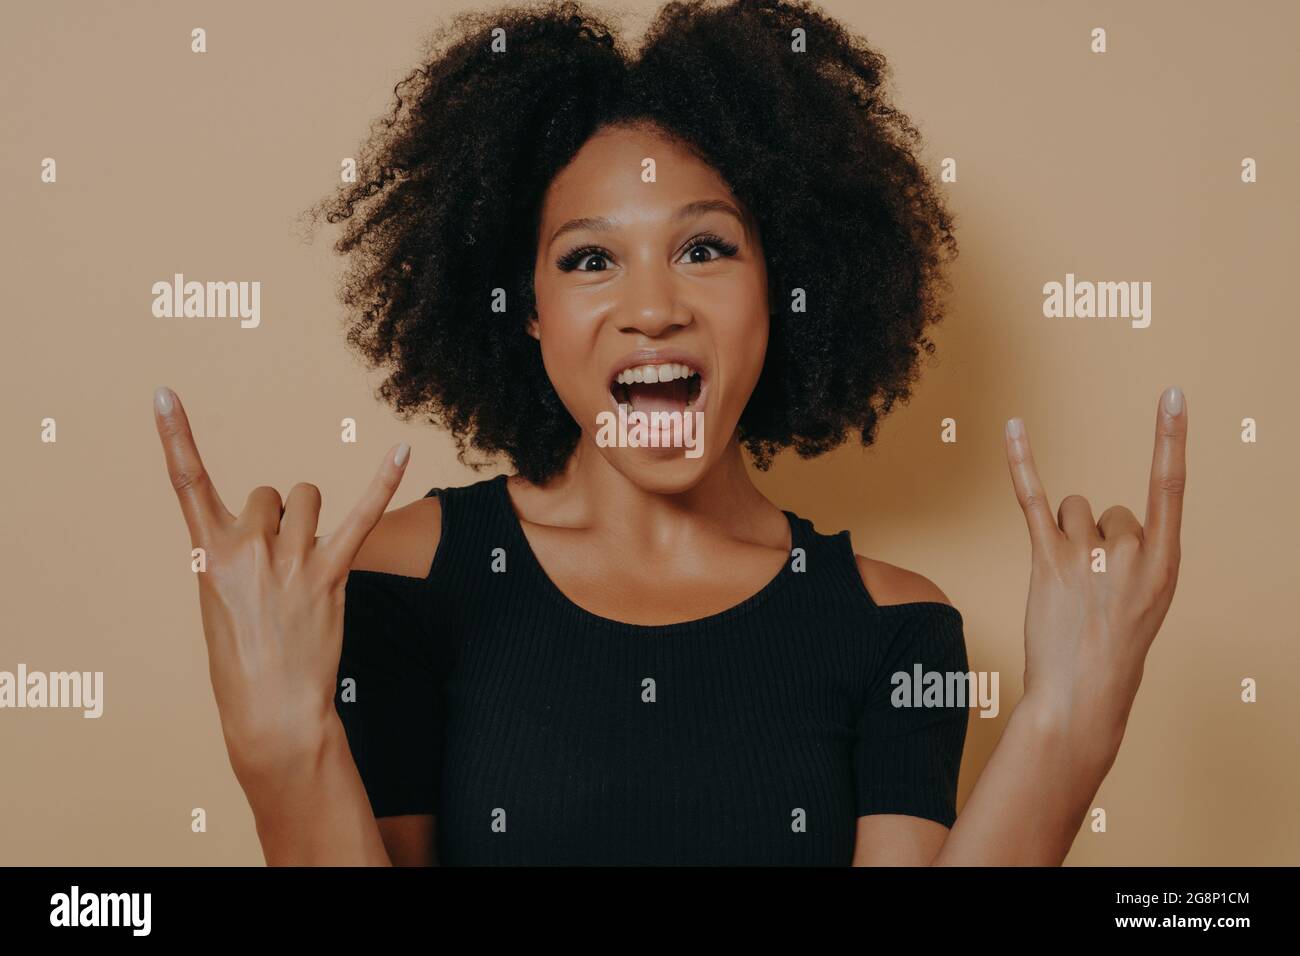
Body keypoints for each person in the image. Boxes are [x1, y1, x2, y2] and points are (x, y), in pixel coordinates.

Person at [152, 0, 1186, 866]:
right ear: (528, 311)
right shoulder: (396, 582)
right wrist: (278, 743)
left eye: (703, 247)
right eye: (590, 260)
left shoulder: (896, 627)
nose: (652, 307)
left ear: (779, 292)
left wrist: (1071, 719)